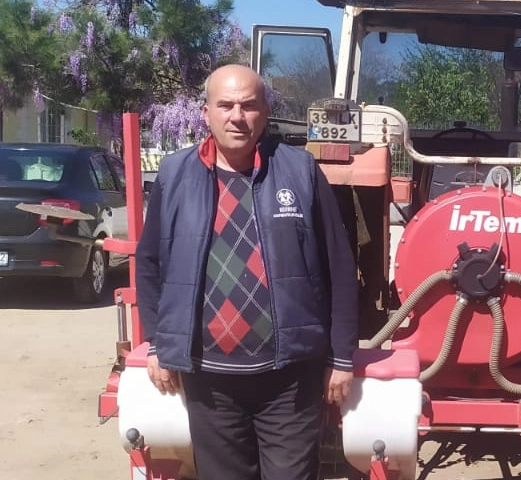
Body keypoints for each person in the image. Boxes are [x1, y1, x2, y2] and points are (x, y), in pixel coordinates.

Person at [135, 64, 359, 480]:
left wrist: (342, 357)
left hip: (291, 378)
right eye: (226, 105)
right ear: (206, 113)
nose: (237, 116)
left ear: (265, 113)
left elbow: (340, 266)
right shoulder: (174, 175)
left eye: (249, 105)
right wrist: (156, 345)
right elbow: (149, 263)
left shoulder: (300, 171)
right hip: (208, 380)